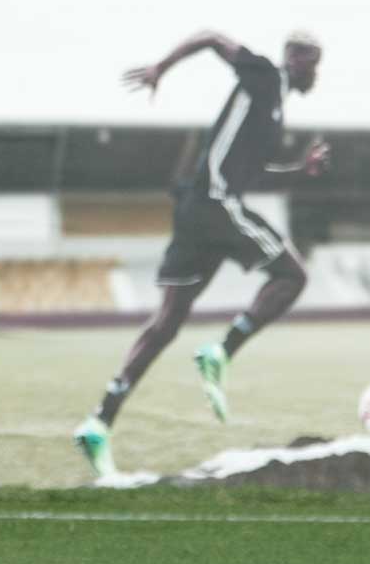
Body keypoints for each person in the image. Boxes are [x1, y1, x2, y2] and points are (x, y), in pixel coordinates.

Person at [73, 32, 328, 481]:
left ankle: (100, 420)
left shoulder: (271, 108)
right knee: (293, 276)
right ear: (294, 58)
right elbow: (211, 38)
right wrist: (161, 67)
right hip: (216, 204)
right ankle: (222, 350)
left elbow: (254, 172)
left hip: (198, 210)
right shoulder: (265, 75)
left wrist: (299, 170)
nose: (316, 73)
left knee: (165, 324)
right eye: (313, 61)